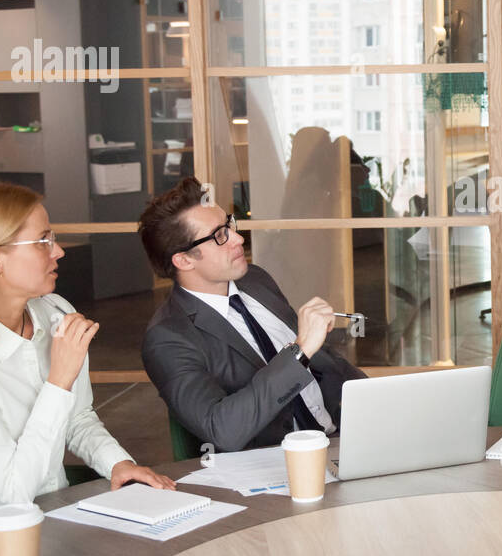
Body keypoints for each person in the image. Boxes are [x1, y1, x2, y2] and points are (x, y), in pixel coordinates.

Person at [0, 185, 173, 535]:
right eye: (43, 241)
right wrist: (59, 379)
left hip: (50, 521)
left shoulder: (55, 312)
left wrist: (118, 463)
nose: (60, 252)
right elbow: (15, 490)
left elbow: (77, 416)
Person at [139, 177, 366, 453]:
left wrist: (378, 399)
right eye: (219, 235)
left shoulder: (255, 280)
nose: (237, 238)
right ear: (184, 260)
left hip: (341, 437)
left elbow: (323, 361)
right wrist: (300, 350)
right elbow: (222, 430)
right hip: (274, 464)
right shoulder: (168, 337)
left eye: (229, 224)